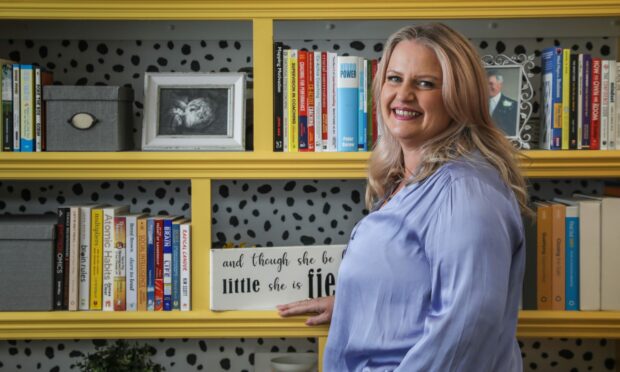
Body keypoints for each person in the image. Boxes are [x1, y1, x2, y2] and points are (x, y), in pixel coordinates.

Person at [277, 22, 530, 371]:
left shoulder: (465, 192)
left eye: (425, 84)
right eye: (394, 78)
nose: (403, 94)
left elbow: (465, 332)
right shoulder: (408, 178)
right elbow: (421, 279)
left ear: (460, 97)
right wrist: (358, 302)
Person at [488, 70, 519, 136]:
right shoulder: (476, 104)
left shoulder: (514, 105)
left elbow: (513, 132)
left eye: (490, 84)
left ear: (500, 85)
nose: (487, 87)